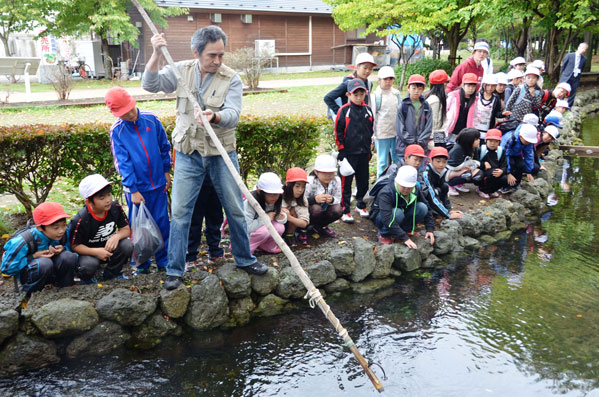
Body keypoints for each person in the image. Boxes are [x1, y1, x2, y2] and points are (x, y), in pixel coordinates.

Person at [142, 25, 268, 289]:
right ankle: (175, 270)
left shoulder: (230, 78)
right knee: (180, 213)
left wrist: (216, 116)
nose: (218, 61)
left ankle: (244, 258)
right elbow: (150, 85)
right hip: (189, 152)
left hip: (221, 153)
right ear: (196, 52)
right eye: (212, 55)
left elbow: (233, 114)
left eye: (221, 54)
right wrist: (155, 53)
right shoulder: (180, 71)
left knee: (234, 209)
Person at [106, 87, 171, 274]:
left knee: (162, 223)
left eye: (131, 110)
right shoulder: (117, 131)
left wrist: (166, 171)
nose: (130, 115)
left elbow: (164, 146)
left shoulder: (152, 119)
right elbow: (122, 162)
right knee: (139, 227)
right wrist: (133, 189)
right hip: (136, 191)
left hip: (157, 185)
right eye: (124, 114)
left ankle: (163, 261)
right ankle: (142, 264)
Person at [1, 202, 77, 293]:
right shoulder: (23, 241)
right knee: (44, 263)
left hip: (51, 271)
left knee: (68, 256)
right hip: (31, 273)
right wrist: (33, 257)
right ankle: (29, 294)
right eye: (56, 228)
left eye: (64, 225)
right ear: (40, 228)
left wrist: (63, 249)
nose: (61, 231)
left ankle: (64, 289)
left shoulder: (64, 234)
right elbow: (7, 269)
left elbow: (74, 253)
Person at [69, 175, 132, 282]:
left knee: (127, 245)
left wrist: (117, 236)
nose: (108, 200)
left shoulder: (115, 208)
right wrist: (96, 252)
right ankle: (87, 278)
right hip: (89, 253)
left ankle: (112, 274)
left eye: (109, 195)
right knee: (89, 265)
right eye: (101, 198)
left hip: (109, 248)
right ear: (88, 202)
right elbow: (75, 246)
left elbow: (126, 229)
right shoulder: (81, 219)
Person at [335, 79, 374, 223]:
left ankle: (361, 205)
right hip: (349, 154)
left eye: (361, 94)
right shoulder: (344, 110)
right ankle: (345, 210)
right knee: (346, 183)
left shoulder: (368, 110)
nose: (358, 97)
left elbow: (370, 131)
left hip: (364, 153)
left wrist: (369, 149)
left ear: (366, 93)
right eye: (355, 94)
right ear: (348, 94)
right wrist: (341, 150)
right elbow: (338, 131)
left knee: (363, 181)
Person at [371, 165, 435, 248]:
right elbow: (387, 218)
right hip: (383, 218)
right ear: (397, 182)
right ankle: (384, 234)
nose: (406, 189)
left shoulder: (416, 189)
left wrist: (430, 229)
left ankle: (406, 229)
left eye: (409, 187)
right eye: (403, 186)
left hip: (402, 213)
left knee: (422, 207)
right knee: (397, 213)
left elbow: (427, 206)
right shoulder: (386, 192)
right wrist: (404, 239)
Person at [324, 52, 376, 120]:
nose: (367, 71)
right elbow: (328, 98)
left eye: (370, 68)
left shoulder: (369, 84)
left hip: (362, 121)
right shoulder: (348, 83)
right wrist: (340, 113)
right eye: (365, 68)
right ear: (357, 67)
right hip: (349, 123)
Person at [186, 175, 224, 265]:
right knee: (194, 220)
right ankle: (190, 257)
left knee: (215, 217)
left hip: (215, 177)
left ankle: (215, 252)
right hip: (195, 178)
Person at [245, 173, 286, 254]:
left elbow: (275, 217)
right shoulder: (250, 203)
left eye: (276, 194)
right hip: (247, 234)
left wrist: (282, 218)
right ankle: (247, 250)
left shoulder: (275, 201)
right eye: (270, 194)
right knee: (264, 231)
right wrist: (266, 218)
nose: (274, 197)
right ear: (259, 192)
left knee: (280, 227)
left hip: (260, 225)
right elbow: (247, 227)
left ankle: (268, 246)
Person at [371, 66, 400, 177]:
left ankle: (397, 181)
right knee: (382, 161)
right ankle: (381, 182)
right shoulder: (376, 96)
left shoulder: (396, 94)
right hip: (382, 133)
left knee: (397, 158)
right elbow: (373, 115)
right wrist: (373, 135)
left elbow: (400, 112)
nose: (388, 81)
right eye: (385, 79)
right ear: (379, 80)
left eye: (390, 79)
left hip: (396, 132)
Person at [305, 155, 343, 238]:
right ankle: (305, 227)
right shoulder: (309, 182)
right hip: (309, 211)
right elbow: (302, 200)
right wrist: (314, 199)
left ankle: (321, 226)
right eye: (324, 173)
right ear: (316, 172)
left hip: (326, 208)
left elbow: (338, 199)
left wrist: (332, 199)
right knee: (316, 209)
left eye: (331, 173)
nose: (328, 175)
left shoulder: (336, 181)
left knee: (338, 210)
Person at [395, 74, 432, 160]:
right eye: (414, 88)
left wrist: (420, 141)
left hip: (421, 147)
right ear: (408, 88)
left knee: (420, 170)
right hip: (405, 147)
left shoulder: (426, 106)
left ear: (423, 89)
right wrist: (412, 141)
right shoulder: (403, 106)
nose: (416, 91)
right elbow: (400, 129)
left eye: (419, 89)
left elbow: (428, 127)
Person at [422, 146, 463, 219]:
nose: (441, 164)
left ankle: (439, 210)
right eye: (438, 161)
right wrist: (447, 215)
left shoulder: (442, 171)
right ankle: (432, 212)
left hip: (433, 194)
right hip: (423, 198)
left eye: (444, 162)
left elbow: (444, 193)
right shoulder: (426, 173)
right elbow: (431, 195)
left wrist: (449, 210)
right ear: (430, 160)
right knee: (433, 193)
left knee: (444, 186)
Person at [500, 123, 538, 192]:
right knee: (511, 164)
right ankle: (504, 186)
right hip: (504, 155)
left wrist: (528, 171)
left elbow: (528, 155)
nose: (528, 143)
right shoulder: (510, 138)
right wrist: (508, 172)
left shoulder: (528, 143)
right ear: (520, 136)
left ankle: (515, 185)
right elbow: (504, 154)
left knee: (521, 165)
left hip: (516, 154)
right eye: (527, 141)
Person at [446, 128, 482, 196]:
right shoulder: (457, 149)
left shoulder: (474, 148)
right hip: (451, 170)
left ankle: (458, 184)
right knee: (467, 175)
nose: (479, 140)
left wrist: (470, 166)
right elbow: (453, 166)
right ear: (469, 140)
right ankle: (449, 185)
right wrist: (468, 165)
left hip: (465, 169)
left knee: (479, 174)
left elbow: (477, 162)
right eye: (477, 139)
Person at [445, 73, 478, 142]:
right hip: (451, 130)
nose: (471, 89)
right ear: (463, 85)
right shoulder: (453, 96)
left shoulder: (476, 100)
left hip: (465, 132)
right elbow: (445, 110)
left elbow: (475, 117)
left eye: (473, 86)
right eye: (468, 86)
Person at [476, 129, 508, 199]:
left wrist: (502, 171)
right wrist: (483, 164)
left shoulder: (501, 151)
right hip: (483, 172)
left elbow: (505, 164)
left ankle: (491, 190)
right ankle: (481, 189)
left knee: (505, 178)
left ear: (499, 142)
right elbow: (475, 161)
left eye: (496, 141)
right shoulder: (480, 150)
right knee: (492, 173)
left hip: (496, 172)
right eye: (490, 141)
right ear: (485, 140)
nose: (493, 144)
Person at [281, 167, 310, 246]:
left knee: (293, 210)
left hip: (289, 224)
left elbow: (304, 222)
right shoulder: (278, 195)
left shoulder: (302, 199)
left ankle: (290, 235)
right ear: (288, 184)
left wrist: (289, 217)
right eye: (297, 186)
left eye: (303, 187)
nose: (300, 190)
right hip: (276, 225)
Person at [473, 74, 505, 141]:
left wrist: (503, 114)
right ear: (484, 85)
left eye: (493, 86)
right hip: (474, 128)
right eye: (488, 85)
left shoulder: (496, 98)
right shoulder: (476, 95)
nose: (490, 88)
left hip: (486, 130)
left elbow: (497, 113)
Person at [425, 69, 450, 148]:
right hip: (434, 136)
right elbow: (432, 123)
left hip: (438, 134)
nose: (447, 85)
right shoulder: (435, 101)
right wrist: (431, 142)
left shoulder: (433, 97)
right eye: (446, 82)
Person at [560, 43, 588, 107]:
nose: (583, 50)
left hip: (576, 77)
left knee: (573, 92)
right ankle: (559, 105)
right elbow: (563, 65)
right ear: (578, 47)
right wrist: (564, 74)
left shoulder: (584, 58)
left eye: (585, 49)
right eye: (582, 48)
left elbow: (582, 68)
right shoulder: (570, 55)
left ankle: (568, 107)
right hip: (566, 76)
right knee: (562, 91)